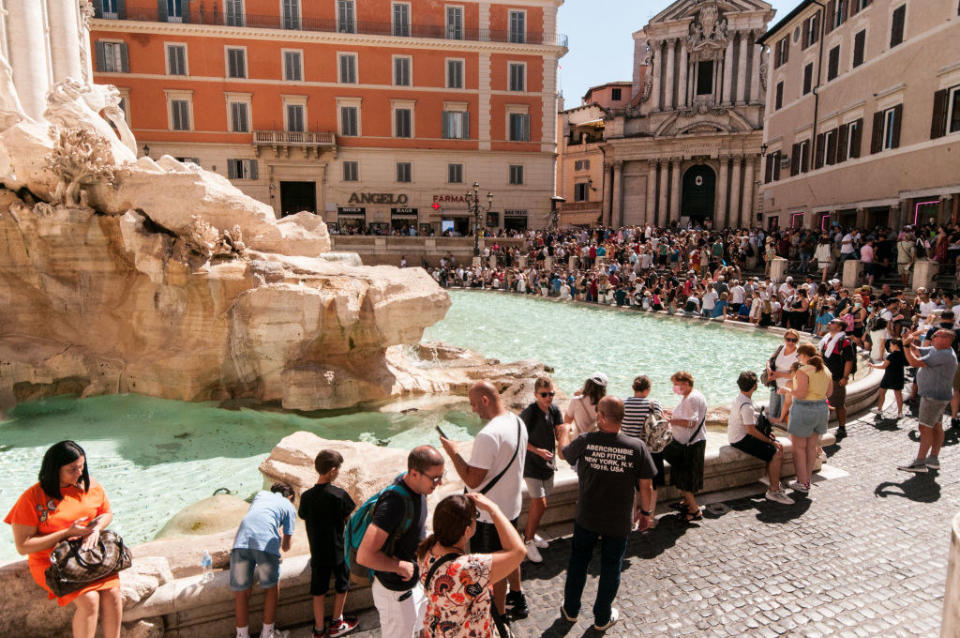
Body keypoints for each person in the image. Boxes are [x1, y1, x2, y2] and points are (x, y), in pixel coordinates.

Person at [5, 441, 122, 638]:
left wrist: (95, 529)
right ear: (54, 469)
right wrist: (66, 533)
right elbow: (23, 547)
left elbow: (106, 513)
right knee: (89, 600)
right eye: (72, 469)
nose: (79, 473)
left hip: (88, 555)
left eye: (82, 466)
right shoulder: (32, 498)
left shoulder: (89, 484)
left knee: (113, 594)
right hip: (52, 562)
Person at [557, 396, 656, 631]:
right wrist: (645, 513)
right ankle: (602, 617)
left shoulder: (585, 441)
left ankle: (571, 610)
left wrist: (563, 431)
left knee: (579, 561)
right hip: (618, 519)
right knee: (611, 566)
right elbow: (647, 486)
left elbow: (563, 454)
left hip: (587, 516)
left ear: (601, 417)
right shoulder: (636, 447)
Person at [439, 381, 529, 628]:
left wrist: (453, 453)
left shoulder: (488, 435)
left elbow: (471, 479)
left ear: (486, 400)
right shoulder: (518, 422)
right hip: (510, 507)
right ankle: (518, 597)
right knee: (511, 552)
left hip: (489, 517)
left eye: (473, 403)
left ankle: (498, 618)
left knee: (493, 569)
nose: (472, 409)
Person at [357, 446, 445, 638]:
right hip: (395, 593)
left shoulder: (418, 487)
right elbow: (364, 555)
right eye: (435, 478)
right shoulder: (393, 504)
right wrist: (399, 566)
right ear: (414, 473)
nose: (440, 482)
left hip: (414, 585)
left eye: (441, 476)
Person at [417, 493, 526, 638]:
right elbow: (518, 551)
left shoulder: (427, 550)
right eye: (476, 516)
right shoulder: (469, 569)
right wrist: (494, 509)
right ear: (467, 530)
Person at [299, 450, 359, 638]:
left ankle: (318, 629)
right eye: (338, 469)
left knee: (318, 590)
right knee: (342, 586)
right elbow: (351, 521)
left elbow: (302, 515)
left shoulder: (307, 497)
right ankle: (336, 622)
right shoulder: (339, 495)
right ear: (333, 470)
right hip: (338, 551)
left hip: (317, 551)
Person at [230, 483, 298, 638]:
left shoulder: (260, 495)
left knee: (242, 591)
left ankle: (241, 635)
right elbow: (286, 546)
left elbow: (255, 519)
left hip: (241, 542)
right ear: (291, 496)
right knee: (272, 587)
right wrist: (280, 538)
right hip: (265, 545)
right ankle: (267, 634)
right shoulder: (288, 506)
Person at [727, 372, 794, 504]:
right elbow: (750, 430)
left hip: (738, 434)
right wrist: (770, 441)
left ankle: (769, 477)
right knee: (776, 452)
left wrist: (767, 435)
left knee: (777, 447)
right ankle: (773, 491)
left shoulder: (739, 398)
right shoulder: (747, 406)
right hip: (740, 439)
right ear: (754, 386)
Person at [898, 329, 959, 472]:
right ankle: (933, 459)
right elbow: (918, 350)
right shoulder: (938, 350)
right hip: (938, 396)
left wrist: (906, 347)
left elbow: (914, 362)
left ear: (945, 339)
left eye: (935, 336)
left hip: (933, 397)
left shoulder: (943, 354)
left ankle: (919, 462)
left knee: (925, 427)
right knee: (936, 426)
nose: (931, 338)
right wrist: (909, 340)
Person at [518, 376, 563, 563]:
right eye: (544, 394)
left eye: (551, 393)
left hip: (548, 465)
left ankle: (530, 533)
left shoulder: (554, 410)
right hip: (531, 466)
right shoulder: (530, 413)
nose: (548, 397)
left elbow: (560, 430)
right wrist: (537, 450)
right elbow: (519, 436)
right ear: (536, 394)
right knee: (540, 503)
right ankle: (527, 541)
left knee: (542, 503)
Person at [785, 344, 833, 493]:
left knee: (798, 448)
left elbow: (801, 393)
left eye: (798, 356)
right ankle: (807, 481)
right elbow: (829, 393)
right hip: (821, 409)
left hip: (804, 410)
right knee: (811, 447)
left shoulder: (803, 371)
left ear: (804, 355)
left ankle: (802, 482)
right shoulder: (826, 370)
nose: (798, 358)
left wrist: (786, 390)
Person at [661, 371, 708, 522]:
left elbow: (691, 422)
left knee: (684, 478)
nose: (675, 387)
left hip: (689, 445)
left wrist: (671, 420)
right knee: (686, 476)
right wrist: (672, 413)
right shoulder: (693, 395)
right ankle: (687, 503)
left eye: (677, 384)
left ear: (686, 384)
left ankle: (694, 510)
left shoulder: (691, 399)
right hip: (692, 443)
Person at [621, 375, 665, 529]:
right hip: (649, 451)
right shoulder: (653, 403)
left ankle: (631, 520)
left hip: (628, 449)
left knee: (631, 487)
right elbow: (659, 426)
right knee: (651, 485)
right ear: (647, 389)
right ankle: (650, 519)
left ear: (634, 388)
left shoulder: (623, 403)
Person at [820, 318, 856, 439]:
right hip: (824, 377)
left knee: (838, 404)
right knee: (826, 403)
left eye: (833, 322)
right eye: (829, 322)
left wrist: (845, 377)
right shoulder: (827, 339)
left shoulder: (844, 342)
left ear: (840, 328)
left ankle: (841, 428)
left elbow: (849, 360)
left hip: (837, 378)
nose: (829, 323)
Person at [766, 330, 800, 423]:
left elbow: (796, 376)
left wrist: (779, 375)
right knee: (772, 413)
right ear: (784, 339)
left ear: (797, 341)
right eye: (788, 339)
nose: (791, 342)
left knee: (783, 415)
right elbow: (769, 360)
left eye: (794, 340)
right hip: (775, 384)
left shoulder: (799, 354)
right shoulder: (780, 348)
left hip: (787, 387)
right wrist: (769, 369)